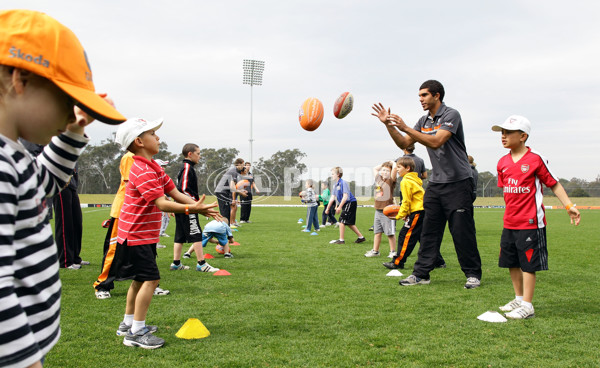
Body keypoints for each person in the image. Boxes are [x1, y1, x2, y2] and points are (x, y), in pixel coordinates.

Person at [0, 9, 127, 367]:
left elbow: (45, 184)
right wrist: (25, 360)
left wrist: (74, 132)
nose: (68, 113)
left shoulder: (14, 156)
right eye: (64, 99)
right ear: (19, 80)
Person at [113, 118, 221, 349]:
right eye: (153, 133)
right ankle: (136, 333)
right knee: (151, 279)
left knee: (140, 280)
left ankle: (127, 323)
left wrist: (198, 207)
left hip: (142, 236)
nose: (158, 138)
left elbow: (174, 192)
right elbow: (162, 203)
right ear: (139, 141)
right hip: (135, 236)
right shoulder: (141, 169)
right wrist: (193, 208)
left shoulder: (154, 167)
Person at [373, 79, 482, 288]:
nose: (421, 99)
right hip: (436, 184)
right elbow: (405, 143)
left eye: (424, 95)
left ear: (436, 95)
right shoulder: (424, 120)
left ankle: (472, 274)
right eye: (419, 96)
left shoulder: (451, 115)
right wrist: (389, 125)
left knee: (461, 231)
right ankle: (421, 273)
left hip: (459, 182)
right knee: (428, 230)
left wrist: (405, 126)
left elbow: (436, 141)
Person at [492, 115, 580, 319]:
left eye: (508, 133)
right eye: (501, 133)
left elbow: (554, 183)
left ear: (523, 136)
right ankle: (519, 298)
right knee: (511, 262)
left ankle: (528, 306)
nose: (503, 136)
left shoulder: (535, 159)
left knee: (528, 264)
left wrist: (569, 205)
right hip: (510, 222)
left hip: (531, 222)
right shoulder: (502, 162)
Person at [171, 143, 219, 272]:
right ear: (190, 154)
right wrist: (196, 206)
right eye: (198, 153)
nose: (200, 156)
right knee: (196, 233)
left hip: (183, 206)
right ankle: (201, 264)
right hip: (188, 207)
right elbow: (183, 189)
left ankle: (176, 264)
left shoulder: (187, 167)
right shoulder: (187, 167)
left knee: (180, 235)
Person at [382, 157, 433, 269]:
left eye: (399, 167)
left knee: (406, 236)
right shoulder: (414, 179)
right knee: (421, 237)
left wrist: (399, 215)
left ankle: (398, 262)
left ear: (407, 168)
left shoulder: (405, 181)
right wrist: (407, 213)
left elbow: (406, 201)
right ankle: (437, 261)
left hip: (418, 212)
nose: (397, 170)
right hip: (420, 211)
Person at [54, 163, 88, 269]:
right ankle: (65, 261)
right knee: (65, 224)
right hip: (60, 185)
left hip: (72, 185)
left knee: (77, 223)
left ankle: (75, 258)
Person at [364, 161, 397, 258]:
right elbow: (375, 168)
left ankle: (393, 251)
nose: (385, 172)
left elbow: (394, 168)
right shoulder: (379, 179)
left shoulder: (391, 180)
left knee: (390, 233)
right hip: (378, 210)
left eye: (387, 170)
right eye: (383, 170)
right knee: (377, 232)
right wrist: (384, 165)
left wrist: (392, 162)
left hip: (388, 211)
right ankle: (375, 251)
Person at [325, 167, 366, 244]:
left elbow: (345, 196)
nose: (332, 175)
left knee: (341, 220)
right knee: (348, 222)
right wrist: (327, 208)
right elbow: (332, 197)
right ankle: (361, 237)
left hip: (350, 202)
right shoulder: (335, 185)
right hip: (346, 203)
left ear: (338, 174)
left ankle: (341, 240)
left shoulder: (343, 183)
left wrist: (339, 207)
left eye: (333, 174)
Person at [215, 158, 247, 226]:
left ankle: (227, 227)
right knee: (225, 212)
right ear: (238, 164)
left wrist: (240, 191)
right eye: (243, 164)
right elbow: (232, 187)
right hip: (222, 192)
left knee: (227, 211)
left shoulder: (236, 172)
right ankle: (225, 228)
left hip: (225, 192)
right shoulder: (233, 171)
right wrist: (241, 193)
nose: (244, 166)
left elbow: (233, 187)